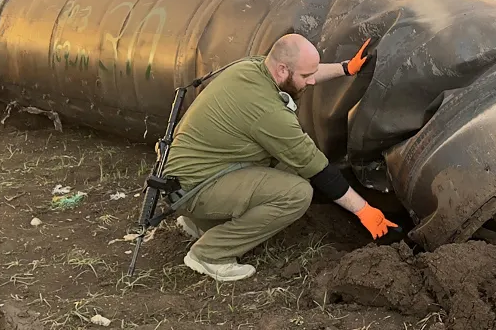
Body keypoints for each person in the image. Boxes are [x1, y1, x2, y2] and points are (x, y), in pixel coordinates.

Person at [163, 34, 397, 282]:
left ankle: (202, 223)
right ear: (283, 69)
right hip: (195, 188)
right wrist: (365, 212)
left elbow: (306, 72)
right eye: (306, 77)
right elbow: (319, 170)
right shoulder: (268, 112)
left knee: (288, 167)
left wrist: (345, 68)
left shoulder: (255, 67)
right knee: (297, 193)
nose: (311, 81)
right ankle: (210, 254)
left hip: (187, 175)